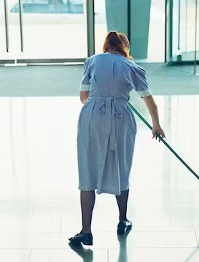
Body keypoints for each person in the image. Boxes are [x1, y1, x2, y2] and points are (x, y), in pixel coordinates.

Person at [69, 31, 165, 246]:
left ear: (106, 45)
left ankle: (86, 231)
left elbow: (84, 97)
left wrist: (100, 97)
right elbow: (149, 100)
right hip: (121, 117)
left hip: (91, 116)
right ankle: (123, 220)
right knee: (121, 166)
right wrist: (156, 124)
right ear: (125, 47)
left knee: (87, 169)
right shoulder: (132, 67)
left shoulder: (91, 62)